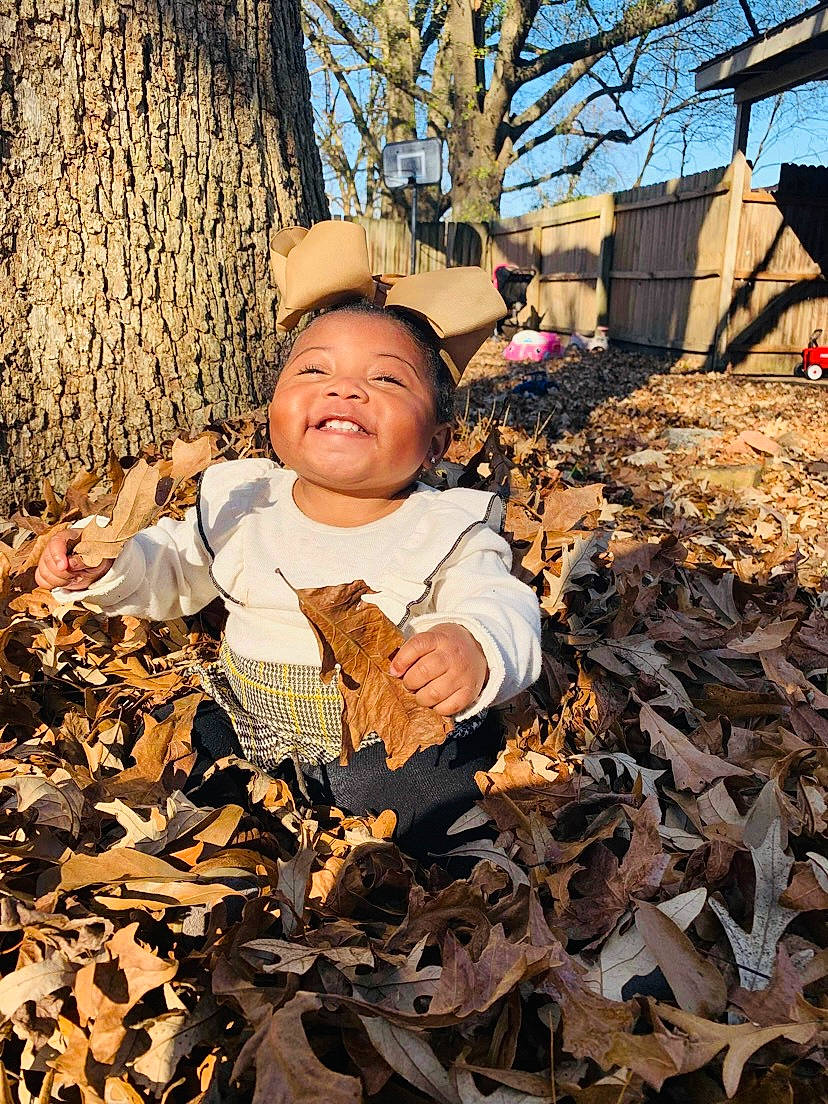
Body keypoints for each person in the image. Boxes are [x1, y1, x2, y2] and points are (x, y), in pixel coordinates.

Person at [35, 221, 541, 859]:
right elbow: (170, 567)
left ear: (437, 442)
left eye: (387, 381)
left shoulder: (447, 527)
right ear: (274, 404)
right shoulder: (244, 501)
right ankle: (219, 868)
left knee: (439, 811)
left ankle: (441, 898)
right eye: (314, 370)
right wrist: (105, 561)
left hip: (388, 738)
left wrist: (477, 647)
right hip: (251, 721)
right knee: (191, 776)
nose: (346, 388)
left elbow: (503, 603)